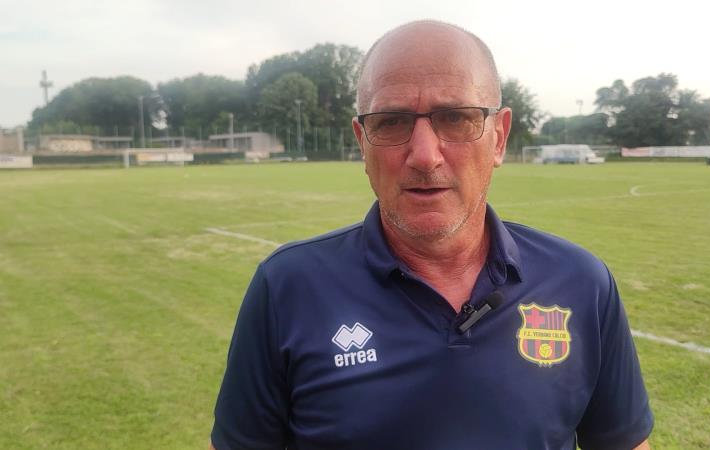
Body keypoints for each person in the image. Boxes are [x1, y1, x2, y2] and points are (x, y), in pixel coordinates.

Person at [210, 20, 653, 450]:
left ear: (499, 138)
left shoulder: (581, 282)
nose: (424, 156)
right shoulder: (287, 287)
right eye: (391, 121)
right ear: (362, 141)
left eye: (456, 118)